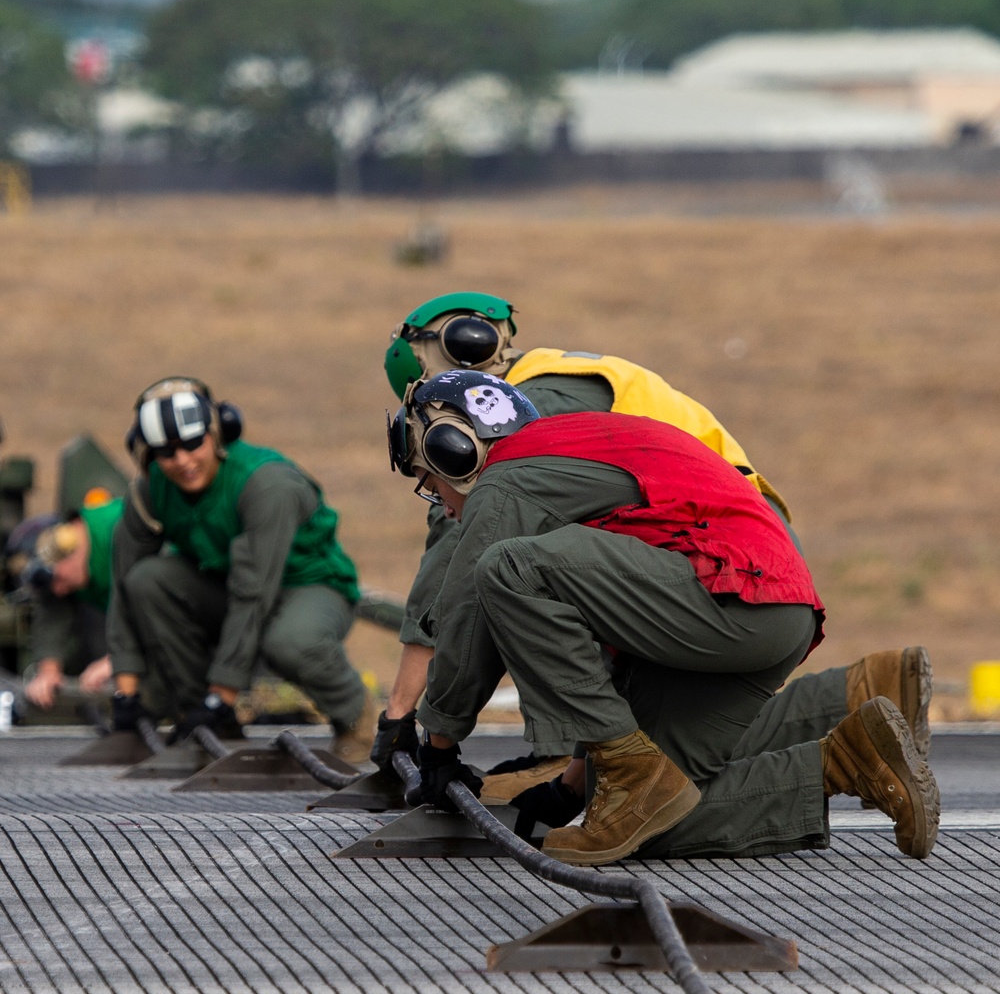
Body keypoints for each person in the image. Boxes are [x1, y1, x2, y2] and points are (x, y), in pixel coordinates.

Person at [373, 292, 933, 793]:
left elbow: (468, 570)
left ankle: (587, 760)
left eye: (432, 482)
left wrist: (415, 725)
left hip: (717, 561)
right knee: (656, 801)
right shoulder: (554, 386)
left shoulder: (527, 435)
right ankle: (851, 726)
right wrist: (575, 786)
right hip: (733, 561)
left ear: (454, 445)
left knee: (509, 569)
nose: (440, 502)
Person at [106, 377, 376, 757]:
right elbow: (122, 585)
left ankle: (357, 720)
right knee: (148, 581)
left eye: (192, 444)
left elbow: (254, 592)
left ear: (217, 435)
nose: (182, 461)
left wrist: (223, 694)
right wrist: (125, 690)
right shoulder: (150, 491)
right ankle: (203, 718)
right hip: (231, 585)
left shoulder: (266, 484)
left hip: (309, 585)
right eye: (166, 452)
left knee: (290, 642)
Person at [7, 500, 121, 709]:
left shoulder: (120, 532)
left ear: (69, 547)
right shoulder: (77, 566)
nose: (59, 589)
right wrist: (48, 671)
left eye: (57, 580)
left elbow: (163, 609)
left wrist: (121, 659)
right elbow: (52, 609)